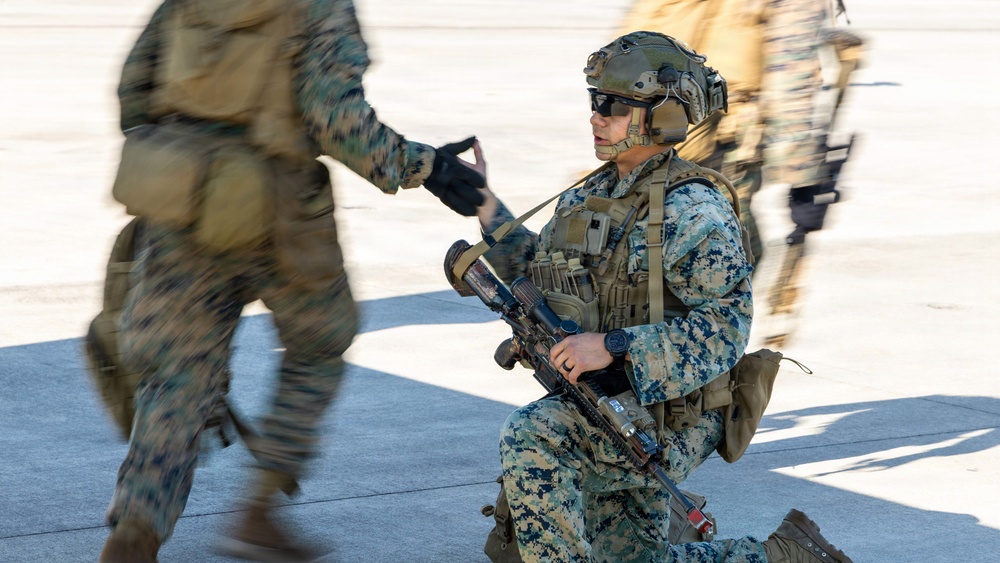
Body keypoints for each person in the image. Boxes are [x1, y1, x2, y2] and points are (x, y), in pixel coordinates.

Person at [97, 0, 485, 561]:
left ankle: (136, 530)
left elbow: (134, 88)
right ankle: (259, 509)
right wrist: (424, 166)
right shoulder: (318, 6)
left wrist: (181, 153)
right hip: (278, 210)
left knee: (178, 376)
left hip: (178, 202)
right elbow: (334, 114)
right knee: (320, 342)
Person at [467, 32, 852, 562]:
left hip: (674, 412)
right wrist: (485, 205)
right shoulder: (590, 194)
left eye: (614, 106)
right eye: (594, 101)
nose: (596, 117)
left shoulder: (691, 208)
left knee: (536, 437)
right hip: (606, 402)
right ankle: (785, 556)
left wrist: (615, 345)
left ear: (663, 118)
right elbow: (542, 277)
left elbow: (726, 329)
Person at [619, 0, 865, 345]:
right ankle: (690, 379)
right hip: (719, 145)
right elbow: (790, 82)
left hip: (635, 128)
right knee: (728, 264)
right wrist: (803, 177)